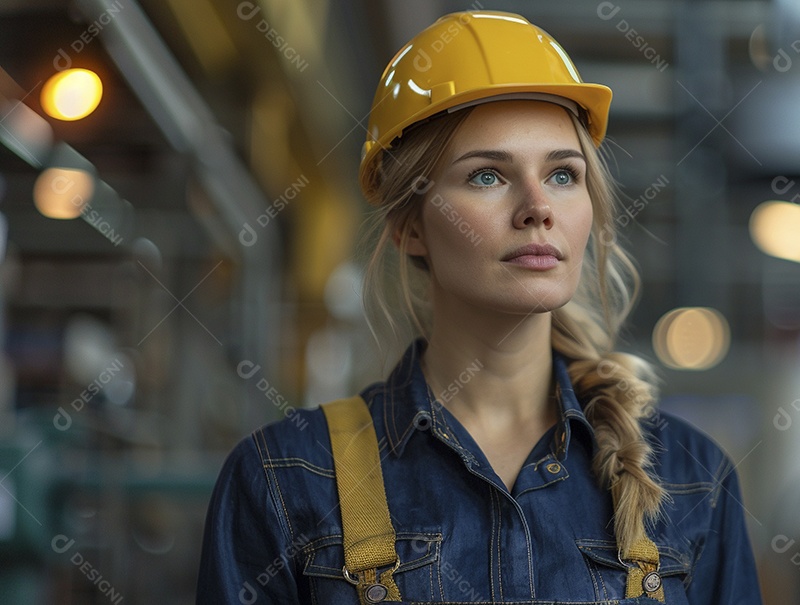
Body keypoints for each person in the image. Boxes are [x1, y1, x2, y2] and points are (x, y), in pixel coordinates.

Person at [197, 10, 762, 604]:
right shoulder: (285, 480)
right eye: (488, 175)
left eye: (563, 175)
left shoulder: (693, 480)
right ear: (409, 226)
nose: (537, 207)